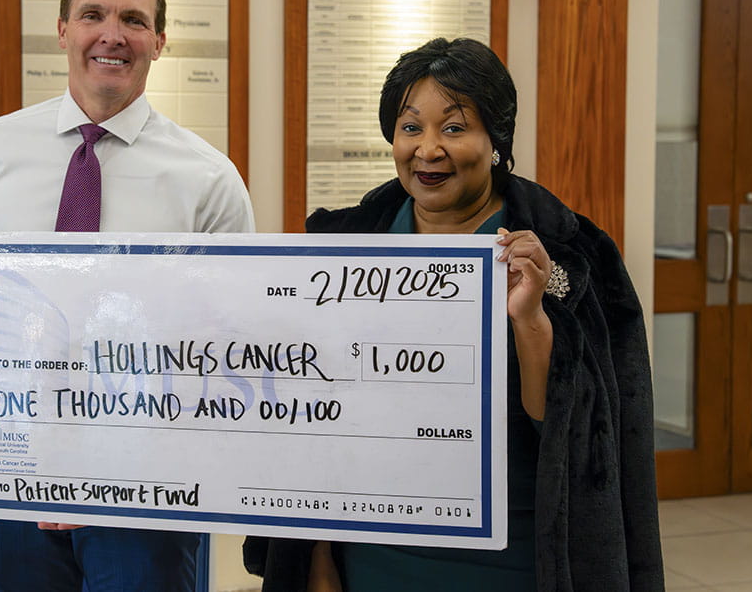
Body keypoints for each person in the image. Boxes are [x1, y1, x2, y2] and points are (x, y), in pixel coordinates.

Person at [242, 38, 664, 591]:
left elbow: (571, 433)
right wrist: (317, 555)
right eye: (411, 127)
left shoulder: (568, 253)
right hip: (373, 552)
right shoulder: (342, 245)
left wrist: (530, 319)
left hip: (514, 553)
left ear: (496, 140)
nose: (428, 149)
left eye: (456, 128)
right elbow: (315, 423)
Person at [0, 0, 254, 592]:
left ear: (159, 40)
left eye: (133, 19)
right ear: (63, 30)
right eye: (92, 15)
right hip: (8, 475)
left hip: (148, 491)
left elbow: (232, 335)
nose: (111, 35)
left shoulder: (209, 179)